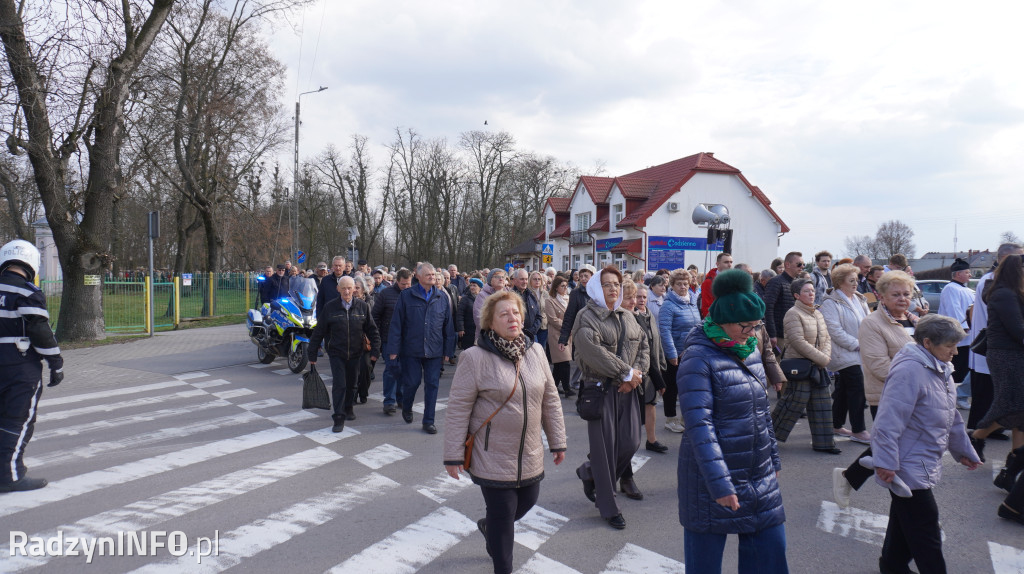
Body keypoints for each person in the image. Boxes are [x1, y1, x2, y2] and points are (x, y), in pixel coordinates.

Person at [443, 291, 567, 574]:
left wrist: (557, 440)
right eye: (504, 314)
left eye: (516, 312)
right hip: (492, 454)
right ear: (490, 322)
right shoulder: (474, 357)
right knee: (503, 515)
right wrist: (452, 455)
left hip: (530, 451)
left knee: (526, 502)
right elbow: (459, 408)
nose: (512, 318)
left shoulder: (535, 351)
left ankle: (489, 526)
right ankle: (503, 566)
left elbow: (550, 398)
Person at [677, 268, 788, 573]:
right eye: (747, 326)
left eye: (758, 325)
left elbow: (762, 413)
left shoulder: (748, 350)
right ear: (724, 321)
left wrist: (773, 462)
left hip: (758, 473)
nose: (754, 333)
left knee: (770, 554)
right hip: (711, 479)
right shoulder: (698, 359)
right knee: (705, 564)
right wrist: (720, 484)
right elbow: (700, 427)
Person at [871, 315, 981, 574]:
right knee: (925, 529)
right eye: (950, 346)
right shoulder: (910, 370)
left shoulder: (940, 367)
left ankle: (892, 566)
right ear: (928, 343)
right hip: (908, 464)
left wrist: (963, 451)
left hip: (921, 459)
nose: (955, 352)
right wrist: (885, 462)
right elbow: (888, 421)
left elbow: (951, 416)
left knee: (906, 521)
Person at [832, 270, 918, 507]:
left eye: (906, 294)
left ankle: (849, 477)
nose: (902, 298)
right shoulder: (872, 324)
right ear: (881, 296)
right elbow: (880, 366)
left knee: (891, 449)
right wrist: (920, 378)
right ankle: (912, 509)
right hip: (888, 397)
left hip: (917, 397)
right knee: (892, 452)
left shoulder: (915, 320)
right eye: (896, 294)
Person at [573, 266, 649, 530]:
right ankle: (609, 506)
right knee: (605, 451)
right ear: (596, 287)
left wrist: (637, 374)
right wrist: (625, 373)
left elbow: (643, 345)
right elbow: (592, 352)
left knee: (630, 442)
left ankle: (590, 473)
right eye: (607, 284)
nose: (613, 288)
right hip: (600, 390)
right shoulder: (587, 316)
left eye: (616, 283)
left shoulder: (628, 316)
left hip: (627, 389)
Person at [0, 241, 63, 493]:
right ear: (31, 264)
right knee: (17, 420)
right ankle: (10, 475)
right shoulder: (27, 292)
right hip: (19, 364)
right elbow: (40, 330)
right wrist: (55, 362)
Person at [771, 278, 839, 454]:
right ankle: (767, 437)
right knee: (792, 404)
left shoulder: (817, 313)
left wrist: (824, 356)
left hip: (817, 365)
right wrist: (822, 359)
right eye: (807, 291)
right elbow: (797, 341)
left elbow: (826, 338)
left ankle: (824, 444)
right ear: (796, 295)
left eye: (812, 291)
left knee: (822, 403)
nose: (811, 294)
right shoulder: (793, 313)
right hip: (800, 366)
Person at [388, 262, 456, 434]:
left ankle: (428, 421)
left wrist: (448, 351)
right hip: (411, 349)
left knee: (432, 385)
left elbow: (448, 326)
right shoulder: (406, 296)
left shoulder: (441, 297)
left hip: (434, 350)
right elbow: (397, 324)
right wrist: (394, 349)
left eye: (434, 275)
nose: (432, 277)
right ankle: (407, 407)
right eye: (428, 275)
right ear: (418, 277)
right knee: (412, 382)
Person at [968, 252, 1024, 461]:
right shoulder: (1004, 294)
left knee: (1020, 408)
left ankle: (1015, 460)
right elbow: (1017, 329)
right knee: (1010, 404)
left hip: (1014, 354)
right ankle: (976, 436)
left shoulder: (1014, 292)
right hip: (1005, 356)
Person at [307, 276, 380, 432]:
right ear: (338, 289)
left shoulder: (362, 307)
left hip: (355, 352)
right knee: (339, 385)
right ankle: (338, 417)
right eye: (343, 288)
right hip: (337, 353)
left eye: (350, 288)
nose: (347, 291)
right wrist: (312, 353)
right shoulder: (330, 307)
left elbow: (372, 330)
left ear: (354, 289)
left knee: (352, 384)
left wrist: (376, 349)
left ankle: (348, 407)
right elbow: (319, 332)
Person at [819, 263, 872, 444]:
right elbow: (834, 330)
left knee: (843, 390)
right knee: (857, 387)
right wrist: (857, 345)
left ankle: (835, 423)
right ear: (840, 283)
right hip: (843, 352)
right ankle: (859, 429)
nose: (855, 284)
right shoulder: (830, 303)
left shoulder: (859, 298)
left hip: (860, 351)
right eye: (851, 281)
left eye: (856, 280)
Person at [659, 268, 702, 434]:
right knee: (672, 387)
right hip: (675, 354)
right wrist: (672, 354)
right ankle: (670, 419)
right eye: (679, 284)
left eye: (685, 283)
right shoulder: (668, 305)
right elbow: (665, 331)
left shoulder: (692, 301)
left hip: (691, 353)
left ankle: (686, 418)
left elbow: (697, 326)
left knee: (689, 387)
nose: (683, 287)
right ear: (672, 285)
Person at [633, 283, 668, 454]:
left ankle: (651, 440)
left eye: (644, 297)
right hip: (639, 368)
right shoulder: (631, 317)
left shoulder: (650, 315)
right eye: (638, 297)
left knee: (651, 403)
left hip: (653, 367)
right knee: (633, 408)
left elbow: (657, 341)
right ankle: (628, 443)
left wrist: (661, 363)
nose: (641, 300)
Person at [373, 268, 412, 415]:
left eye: (408, 284)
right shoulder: (386, 294)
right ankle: (389, 401)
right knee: (391, 369)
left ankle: (401, 397)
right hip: (389, 338)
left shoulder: (413, 294)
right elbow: (375, 316)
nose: (406, 287)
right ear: (397, 281)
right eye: (403, 284)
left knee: (404, 370)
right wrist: (378, 336)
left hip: (407, 339)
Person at [937, 258, 974, 401]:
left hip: (969, 336)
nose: (970, 275)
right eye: (967, 272)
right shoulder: (951, 288)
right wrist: (963, 329)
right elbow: (954, 310)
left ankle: (958, 396)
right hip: (958, 337)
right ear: (958, 274)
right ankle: (951, 396)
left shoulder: (966, 289)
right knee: (957, 368)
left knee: (965, 368)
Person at [558, 264, 596, 391]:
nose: (583, 278)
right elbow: (569, 316)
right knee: (583, 360)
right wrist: (563, 338)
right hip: (581, 333)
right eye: (581, 276)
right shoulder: (575, 294)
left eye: (586, 276)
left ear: (593, 277)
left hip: (598, 334)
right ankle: (581, 386)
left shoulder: (599, 293)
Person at [764, 252, 804, 351]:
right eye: (799, 264)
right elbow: (768, 308)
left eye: (803, 264)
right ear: (787, 265)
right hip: (779, 336)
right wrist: (772, 334)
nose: (802, 267)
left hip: (794, 333)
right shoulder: (775, 282)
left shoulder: (797, 283)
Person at [545, 276, 574, 397]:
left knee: (558, 365)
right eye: (562, 286)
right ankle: (567, 388)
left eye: (566, 286)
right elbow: (552, 319)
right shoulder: (549, 301)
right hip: (557, 334)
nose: (565, 288)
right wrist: (568, 326)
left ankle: (553, 387)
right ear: (556, 287)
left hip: (568, 335)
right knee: (565, 362)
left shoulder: (567, 299)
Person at [474, 269, 507, 342]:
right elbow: (479, 318)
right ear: (490, 280)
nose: (501, 279)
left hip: (507, 336)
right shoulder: (482, 295)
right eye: (497, 277)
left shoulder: (509, 295)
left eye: (503, 277)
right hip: (487, 338)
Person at [510, 269, 541, 341]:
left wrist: (531, 331)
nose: (525, 282)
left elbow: (539, 316)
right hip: (516, 336)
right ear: (514, 280)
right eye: (522, 279)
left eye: (526, 279)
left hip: (532, 336)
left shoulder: (531, 295)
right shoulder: (510, 297)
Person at [700, 252, 733, 316]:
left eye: (731, 262)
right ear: (718, 264)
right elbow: (706, 308)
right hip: (717, 321)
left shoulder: (734, 280)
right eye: (726, 262)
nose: (729, 265)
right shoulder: (708, 282)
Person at [458, 278, 483, 350]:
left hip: (480, 329)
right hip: (468, 330)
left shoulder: (483, 299)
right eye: (471, 285)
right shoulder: (465, 299)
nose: (472, 287)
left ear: (479, 288)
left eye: (474, 286)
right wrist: (461, 328)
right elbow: (460, 314)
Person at [528, 271, 549, 349]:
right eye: (535, 279)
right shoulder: (528, 293)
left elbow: (548, 309)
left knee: (542, 348)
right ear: (530, 281)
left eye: (539, 279)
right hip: (532, 325)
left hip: (543, 325)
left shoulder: (545, 294)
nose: (537, 281)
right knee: (534, 348)